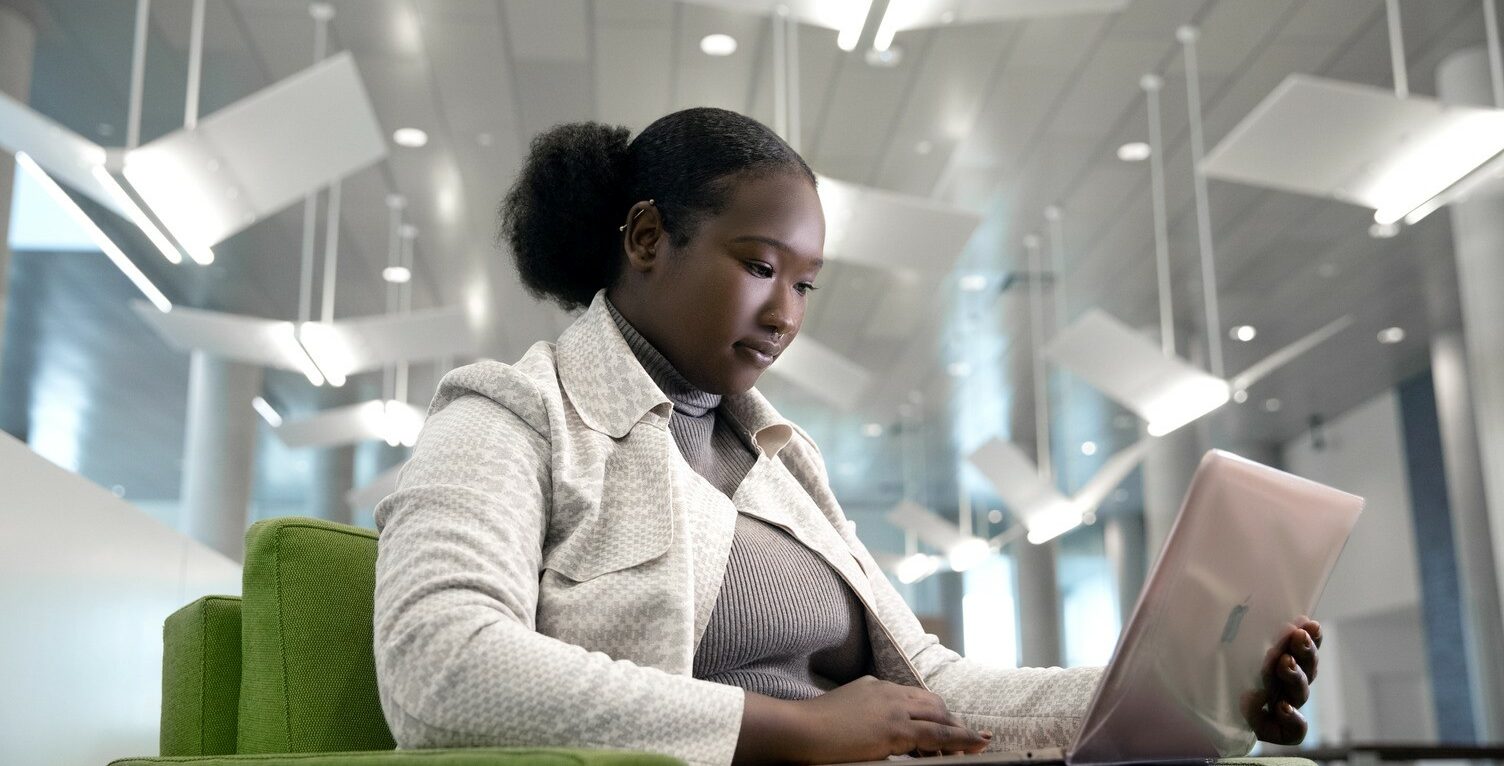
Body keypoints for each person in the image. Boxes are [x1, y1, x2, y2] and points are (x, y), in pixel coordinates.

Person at [371, 107, 1321, 766]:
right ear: (648, 238)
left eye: (807, 285)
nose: (786, 315)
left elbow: (931, 683)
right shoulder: (512, 416)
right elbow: (440, 667)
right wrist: (800, 729)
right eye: (760, 267)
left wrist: (1159, 697)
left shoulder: (782, 459)